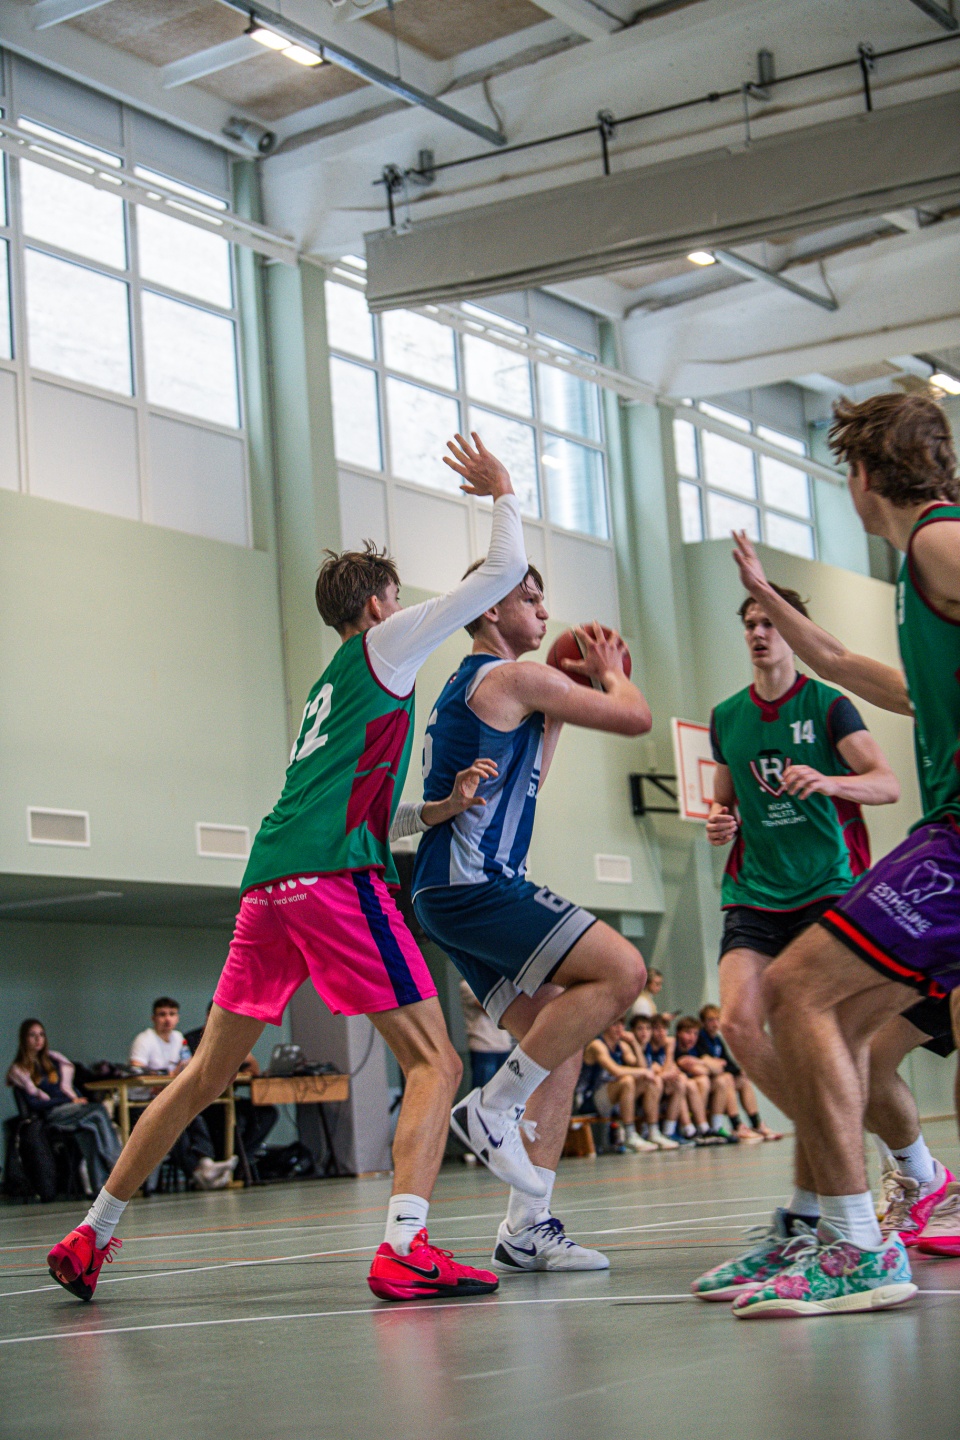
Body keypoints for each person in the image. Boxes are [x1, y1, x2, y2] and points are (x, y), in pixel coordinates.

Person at [48, 432, 529, 1305]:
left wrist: (441, 809)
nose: (407, 609)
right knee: (439, 1063)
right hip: (332, 883)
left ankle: (92, 1233)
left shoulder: (331, 689)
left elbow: (370, 815)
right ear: (379, 606)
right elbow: (500, 573)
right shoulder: (385, 647)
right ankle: (406, 1248)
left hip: (271, 881)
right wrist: (502, 490)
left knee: (205, 1074)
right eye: (397, 597)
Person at [718, 392, 960, 1318]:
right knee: (850, 1027)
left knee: (796, 991)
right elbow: (849, 666)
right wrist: (771, 596)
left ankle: (858, 1246)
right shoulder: (921, 572)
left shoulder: (938, 540)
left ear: (862, 477)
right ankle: (853, 1220)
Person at [690, 574, 929, 1303]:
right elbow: (725, 804)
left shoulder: (828, 704)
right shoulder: (727, 716)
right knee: (738, 1023)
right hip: (753, 893)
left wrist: (829, 783)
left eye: (772, 621)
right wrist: (721, 824)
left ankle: (815, 1204)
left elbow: (884, 782)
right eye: (751, 623)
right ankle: (835, 1135)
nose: (761, 633)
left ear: (794, 631)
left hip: (828, 887)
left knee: (819, 1038)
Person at [411, 561, 651, 1274]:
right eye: (531, 598)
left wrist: (563, 702)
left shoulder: (492, 691)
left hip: (447, 890)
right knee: (624, 970)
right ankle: (493, 1107)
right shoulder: (509, 677)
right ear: (490, 609)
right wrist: (608, 673)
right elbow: (635, 718)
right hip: (475, 883)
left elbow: (533, 775)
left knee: (560, 1036)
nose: (546, 611)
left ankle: (527, 1227)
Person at [129, 998, 237, 1192]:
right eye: (162, 1015)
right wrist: (168, 1076)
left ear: (177, 1018)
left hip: (169, 1099)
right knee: (171, 1124)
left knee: (194, 1116)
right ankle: (198, 1172)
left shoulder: (179, 1038)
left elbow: (188, 1065)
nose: (167, 1019)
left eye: (172, 1014)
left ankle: (205, 1163)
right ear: (154, 1018)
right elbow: (136, 1071)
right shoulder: (144, 1039)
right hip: (141, 1102)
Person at [7, 1020, 121, 1192]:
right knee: (97, 1111)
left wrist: (76, 1099)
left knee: (90, 1129)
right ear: (24, 1039)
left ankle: (100, 1186)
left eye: (41, 1035)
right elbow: (35, 1103)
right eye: (32, 1035)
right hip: (50, 1113)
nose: (38, 1039)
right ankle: (118, 1163)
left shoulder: (53, 1062)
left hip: (69, 1109)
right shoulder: (20, 1070)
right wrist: (66, 1102)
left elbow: (66, 1089)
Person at [184, 1004, 279, 1163]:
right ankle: (230, 1159)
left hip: (229, 1097)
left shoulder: (231, 1038)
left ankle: (241, 1159)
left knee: (268, 1113)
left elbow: (253, 1069)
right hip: (205, 1101)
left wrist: (242, 1051)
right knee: (232, 1118)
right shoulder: (192, 1039)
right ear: (209, 1016)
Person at [582, 1019, 677, 1152]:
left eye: (621, 1024)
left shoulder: (622, 1045)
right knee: (627, 1081)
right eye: (614, 1024)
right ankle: (629, 1134)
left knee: (650, 1081)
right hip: (591, 1098)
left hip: (613, 1097)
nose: (619, 1028)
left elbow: (642, 1067)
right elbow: (616, 1071)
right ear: (605, 1026)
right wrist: (644, 1072)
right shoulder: (597, 1045)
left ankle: (653, 1132)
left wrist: (634, 1044)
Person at [696, 1005, 779, 1140]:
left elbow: (727, 1062)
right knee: (727, 1078)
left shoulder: (717, 1040)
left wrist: (740, 1071)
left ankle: (756, 1123)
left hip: (718, 1079)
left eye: (717, 1019)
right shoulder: (701, 1037)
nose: (715, 1023)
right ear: (703, 1022)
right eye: (710, 1020)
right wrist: (721, 1066)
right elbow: (707, 1061)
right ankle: (737, 1125)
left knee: (743, 1080)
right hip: (710, 1082)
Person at [674, 1017, 741, 1142]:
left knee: (722, 1081)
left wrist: (701, 1062)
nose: (692, 1037)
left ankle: (716, 1126)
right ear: (678, 1033)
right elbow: (699, 1070)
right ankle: (697, 1127)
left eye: (695, 1034)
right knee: (701, 1081)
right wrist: (707, 1064)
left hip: (695, 1085)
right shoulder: (675, 1048)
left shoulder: (697, 1047)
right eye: (688, 1033)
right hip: (682, 1087)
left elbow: (720, 1068)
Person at [629, 1013, 686, 1143]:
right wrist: (669, 1052)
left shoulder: (658, 1047)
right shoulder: (637, 1047)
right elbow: (646, 1070)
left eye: (647, 1029)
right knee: (657, 1081)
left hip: (649, 1090)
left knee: (680, 1083)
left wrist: (669, 1051)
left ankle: (669, 1132)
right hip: (632, 1094)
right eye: (656, 1029)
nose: (661, 1033)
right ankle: (651, 1131)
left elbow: (669, 1071)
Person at [458, 979, 513, 1092]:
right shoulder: (467, 985)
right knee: (483, 1092)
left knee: (503, 1092)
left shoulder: (496, 984)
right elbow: (492, 1010)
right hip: (483, 1046)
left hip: (504, 1045)